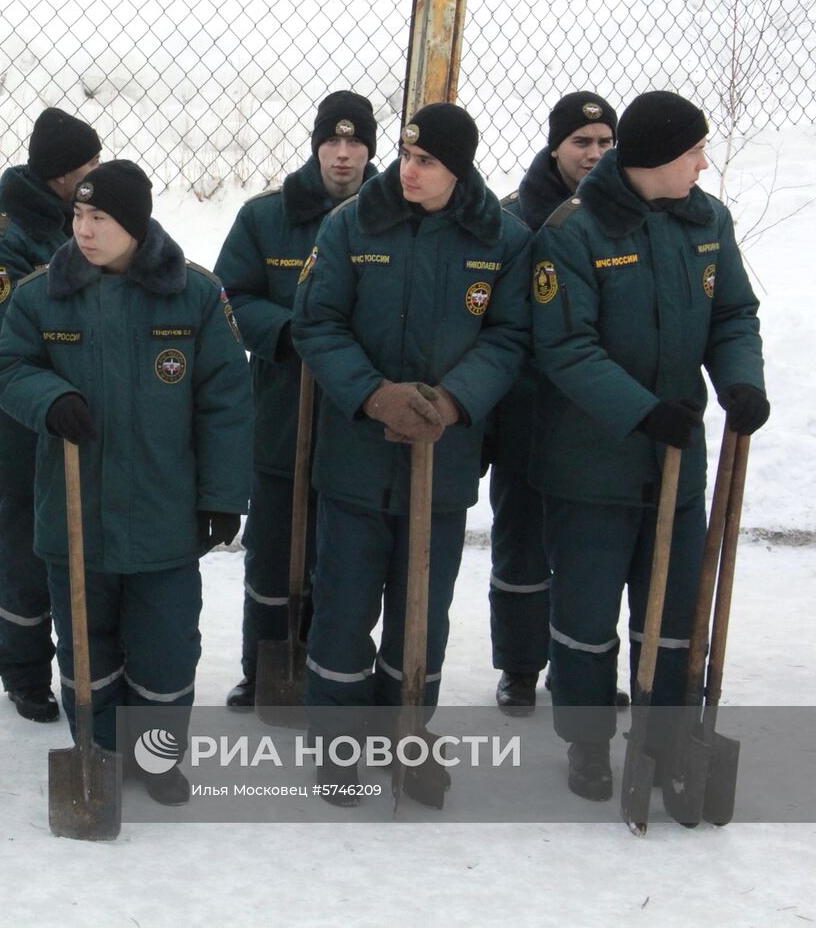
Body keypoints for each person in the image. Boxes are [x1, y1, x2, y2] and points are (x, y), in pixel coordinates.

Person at [0, 160, 253, 806]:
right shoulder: (39, 294)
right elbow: (9, 367)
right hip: (76, 518)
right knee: (86, 649)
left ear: (134, 224)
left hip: (163, 517)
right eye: (78, 215)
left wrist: (222, 496)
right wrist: (49, 397)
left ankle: (156, 758)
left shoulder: (193, 295)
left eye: (99, 217)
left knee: (166, 649)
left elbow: (226, 399)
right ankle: (99, 751)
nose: (83, 229)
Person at [531, 91, 767, 801]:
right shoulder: (575, 233)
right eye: (692, 151)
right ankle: (589, 742)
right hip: (591, 462)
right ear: (657, 158)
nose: (702, 162)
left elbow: (733, 314)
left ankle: (665, 740)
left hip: (678, 466)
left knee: (675, 615)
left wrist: (740, 382)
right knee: (586, 616)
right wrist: (641, 412)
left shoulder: (707, 220)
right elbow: (564, 347)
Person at [292, 103, 531, 804]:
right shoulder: (350, 226)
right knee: (343, 605)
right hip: (357, 461)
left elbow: (511, 335)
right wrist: (372, 395)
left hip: (445, 463)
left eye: (426, 161)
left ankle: (404, 733)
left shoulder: (503, 241)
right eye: (405, 155)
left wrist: (453, 402)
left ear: (458, 168)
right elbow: (318, 321)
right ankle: (337, 745)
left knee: (423, 611)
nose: (409, 170)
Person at [214, 90, 379, 710]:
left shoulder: (390, 214)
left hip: (355, 415)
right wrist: (290, 332)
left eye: (356, 142)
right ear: (316, 145)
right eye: (332, 142)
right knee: (274, 552)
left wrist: (344, 347)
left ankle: (325, 666)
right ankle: (264, 668)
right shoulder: (266, 217)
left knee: (340, 557)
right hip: (284, 412)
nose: (343, 155)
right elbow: (230, 297)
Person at [0, 108, 101, 723]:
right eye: (86, 167)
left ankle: (85, 661)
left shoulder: (88, 222)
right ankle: (22, 669)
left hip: (89, 413)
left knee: (83, 531)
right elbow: (13, 342)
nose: (96, 175)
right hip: (20, 421)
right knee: (24, 535)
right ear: (57, 175)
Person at [489, 92, 625, 714]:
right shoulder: (515, 218)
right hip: (526, 409)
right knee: (521, 540)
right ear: (555, 148)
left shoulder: (626, 213)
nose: (594, 155)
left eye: (604, 143)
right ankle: (519, 666)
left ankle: (578, 669)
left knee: (588, 552)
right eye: (581, 143)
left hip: (593, 417)